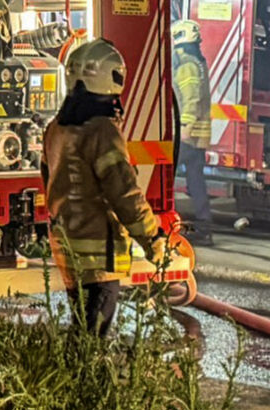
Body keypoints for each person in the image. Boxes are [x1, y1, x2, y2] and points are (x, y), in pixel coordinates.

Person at [42, 38, 182, 335]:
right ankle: (85, 382)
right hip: (98, 256)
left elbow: (48, 179)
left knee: (83, 331)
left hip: (68, 249)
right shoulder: (102, 131)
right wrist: (153, 238)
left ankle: (73, 380)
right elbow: (124, 193)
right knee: (92, 339)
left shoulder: (56, 127)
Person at [169, 18, 214, 236]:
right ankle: (204, 226)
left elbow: (191, 98)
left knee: (166, 175)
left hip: (188, 133)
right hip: (199, 135)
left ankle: (167, 221)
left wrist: (185, 126)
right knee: (196, 181)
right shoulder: (198, 61)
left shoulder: (186, 63)